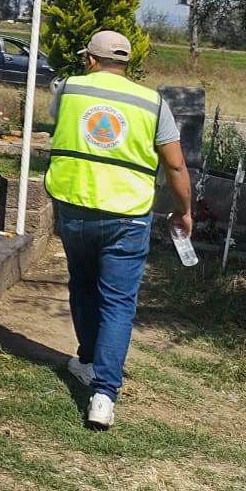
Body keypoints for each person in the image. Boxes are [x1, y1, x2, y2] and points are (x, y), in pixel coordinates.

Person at [44, 30, 192, 429]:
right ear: (126, 64)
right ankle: (104, 396)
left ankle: (89, 361)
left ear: (90, 60)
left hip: (73, 208)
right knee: (118, 302)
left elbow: (62, 129)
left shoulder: (69, 90)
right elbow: (176, 166)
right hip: (127, 216)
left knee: (82, 284)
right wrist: (183, 212)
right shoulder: (152, 102)